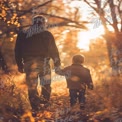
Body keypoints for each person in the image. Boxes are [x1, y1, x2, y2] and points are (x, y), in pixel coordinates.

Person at [15, 15, 61, 113]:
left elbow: (17, 50)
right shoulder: (47, 34)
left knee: (32, 86)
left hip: (29, 63)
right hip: (44, 63)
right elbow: (54, 51)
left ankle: (35, 109)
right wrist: (57, 65)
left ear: (33, 22)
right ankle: (44, 106)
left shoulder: (23, 33)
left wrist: (20, 65)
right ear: (43, 23)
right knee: (46, 85)